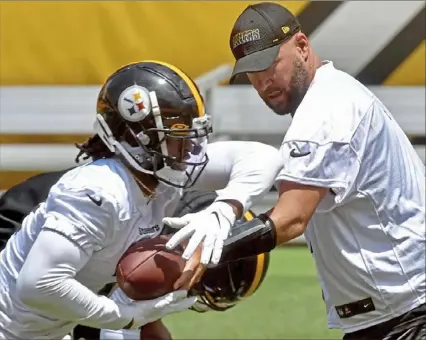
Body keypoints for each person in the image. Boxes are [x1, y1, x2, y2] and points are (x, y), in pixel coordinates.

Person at [164, 3, 426, 340]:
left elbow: (291, 218)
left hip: (408, 312)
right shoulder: (334, 94)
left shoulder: (325, 110)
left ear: (302, 46)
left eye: (270, 65)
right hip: (399, 309)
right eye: (252, 73)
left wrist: (208, 248)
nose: (262, 82)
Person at [0, 60, 282, 339]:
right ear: (139, 139)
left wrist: (222, 211)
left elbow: (265, 157)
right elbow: (39, 284)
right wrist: (123, 317)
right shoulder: (99, 191)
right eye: (179, 135)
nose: (191, 149)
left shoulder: (161, 174)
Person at [0, 176, 269, 340]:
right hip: (21, 236)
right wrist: (128, 319)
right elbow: (43, 287)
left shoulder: (160, 211)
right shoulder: (133, 214)